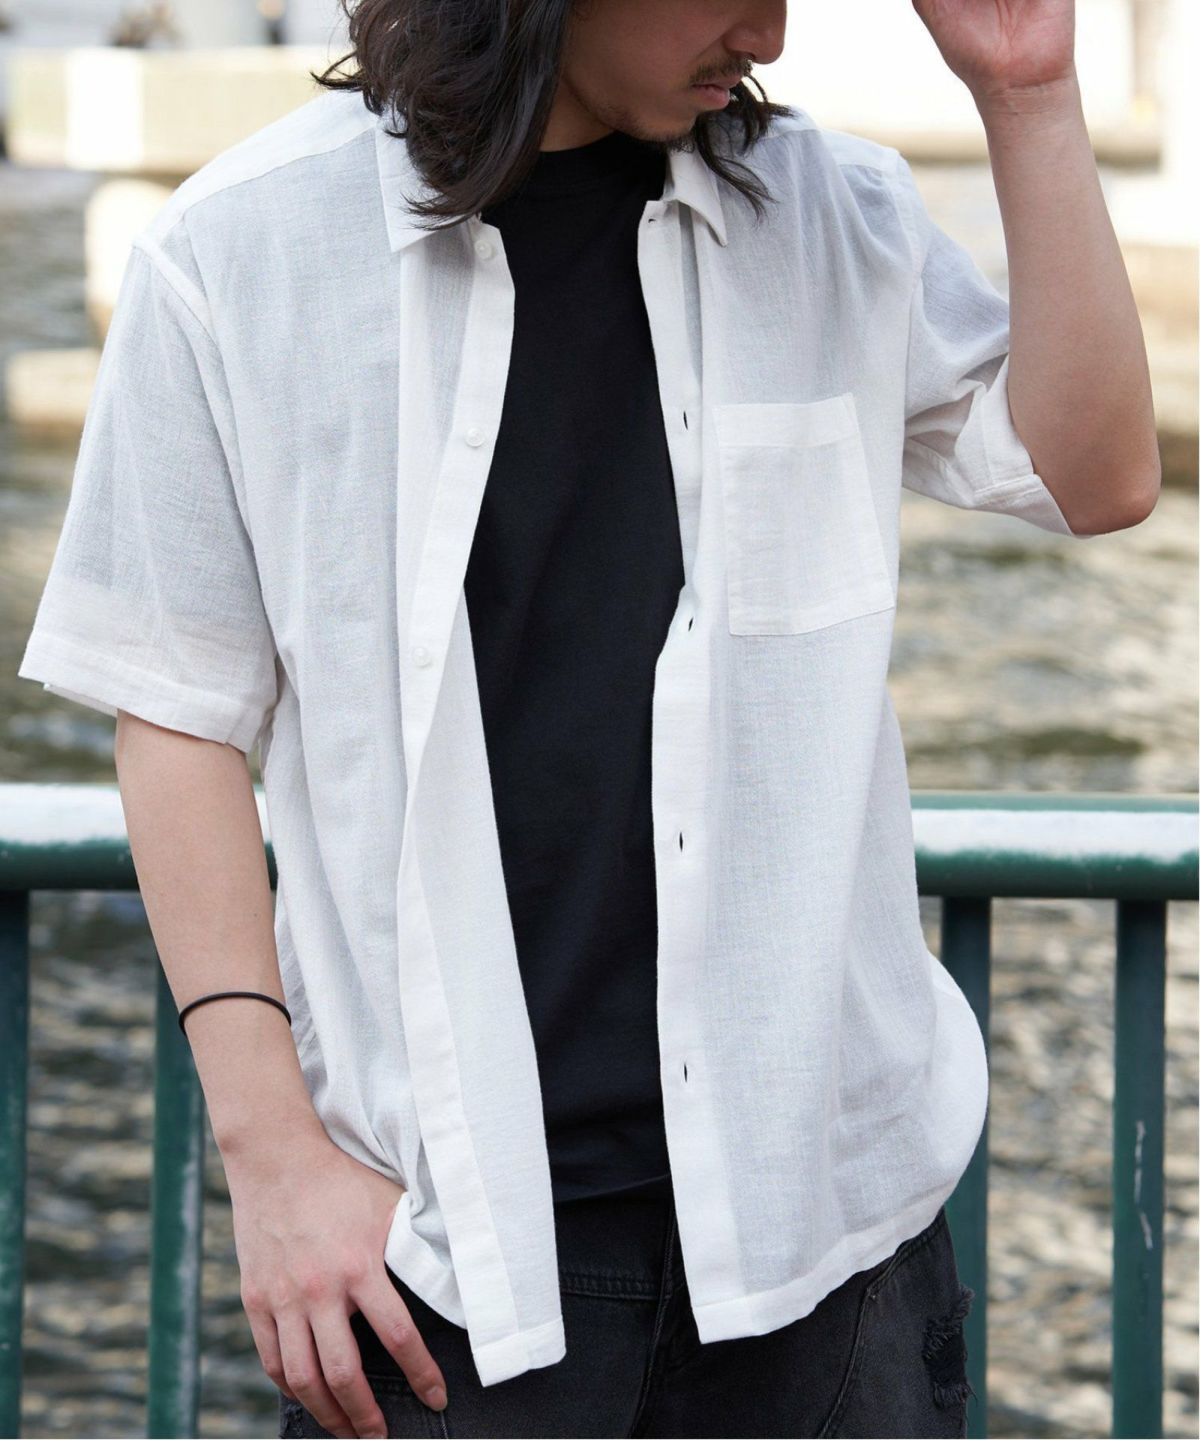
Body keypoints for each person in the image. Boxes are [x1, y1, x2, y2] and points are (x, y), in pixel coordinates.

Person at [17, 0, 1159, 1436]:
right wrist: (272, 1157)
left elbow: (1097, 474)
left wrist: (1032, 94)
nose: (771, 34)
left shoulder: (834, 213)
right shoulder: (238, 249)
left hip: (828, 1251)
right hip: (446, 1263)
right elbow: (175, 713)